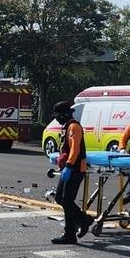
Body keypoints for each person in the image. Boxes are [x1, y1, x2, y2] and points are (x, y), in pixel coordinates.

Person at [51, 100, 89, 245]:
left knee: (67, 200)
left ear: (66, 114)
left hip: (76, 168)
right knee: (60, 198)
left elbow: (75, 149)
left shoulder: (74, 127)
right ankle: (84, 219)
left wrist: (69, 165)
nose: (57, 118)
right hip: (69, 168)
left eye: (59, 115)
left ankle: (70, 234)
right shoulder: (66, 127)